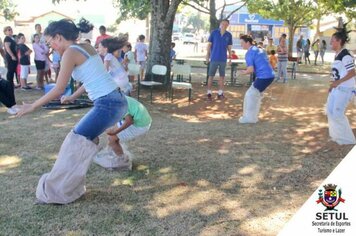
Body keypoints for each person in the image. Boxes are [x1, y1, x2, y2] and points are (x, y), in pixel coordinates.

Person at [16, 18, 128, 205]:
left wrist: (33, 106)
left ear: (58, 37)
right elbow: (92, 78)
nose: (50, 46)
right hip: (116, 101)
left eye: (49, 41)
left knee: (74, 142)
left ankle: (56, 192)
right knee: (83, 141)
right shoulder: (85, 46)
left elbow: (59, 88)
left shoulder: (70, 53)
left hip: (108, 104)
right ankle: (69, 188)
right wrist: (74, 96)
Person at [94, 96, 152, 170]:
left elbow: (129, 121)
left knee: (112, 138)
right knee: (112, 134)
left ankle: (123, 162)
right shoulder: (116, 97)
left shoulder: (117, 103)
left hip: (140, 124)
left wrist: (115, 132)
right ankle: (111, 152)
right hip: (140, 119)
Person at [326, 23, 356, 145]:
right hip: (337, 88)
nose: (330, 43)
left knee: (337, 114)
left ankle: (348, 140)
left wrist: (337, 83)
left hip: (344, 89)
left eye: (332, 41)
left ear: (339, 41)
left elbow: (352, 72)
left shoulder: (345, 55)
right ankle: (336, 136)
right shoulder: (338, 55)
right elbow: (337, 73)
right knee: (330, 112)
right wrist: (332, 86)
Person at [239, 34, 274, 124]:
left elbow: (251, 69)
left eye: (242, 43)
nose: (241, 45)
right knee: (254, 95)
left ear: (247, 43)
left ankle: (250, 119)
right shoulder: (260, 49)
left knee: (250, 95)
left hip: (264, 77)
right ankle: (252, 117)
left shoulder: (249, 53)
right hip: (270, 75)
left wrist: (244, 72)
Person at [205, 19, 233, 100]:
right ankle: (209, 93)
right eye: (223, 23)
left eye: (226, 24)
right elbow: (209, 45)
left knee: (222, 77)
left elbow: (229, 48)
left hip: (223, 59)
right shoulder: (214, 33)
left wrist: (230, 58)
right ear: (220, 24)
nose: (224, 25)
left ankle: (220, 93)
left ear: (228, 25)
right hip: (214, 58)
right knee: (211, 76)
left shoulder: (229, 35)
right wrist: (207, 55)